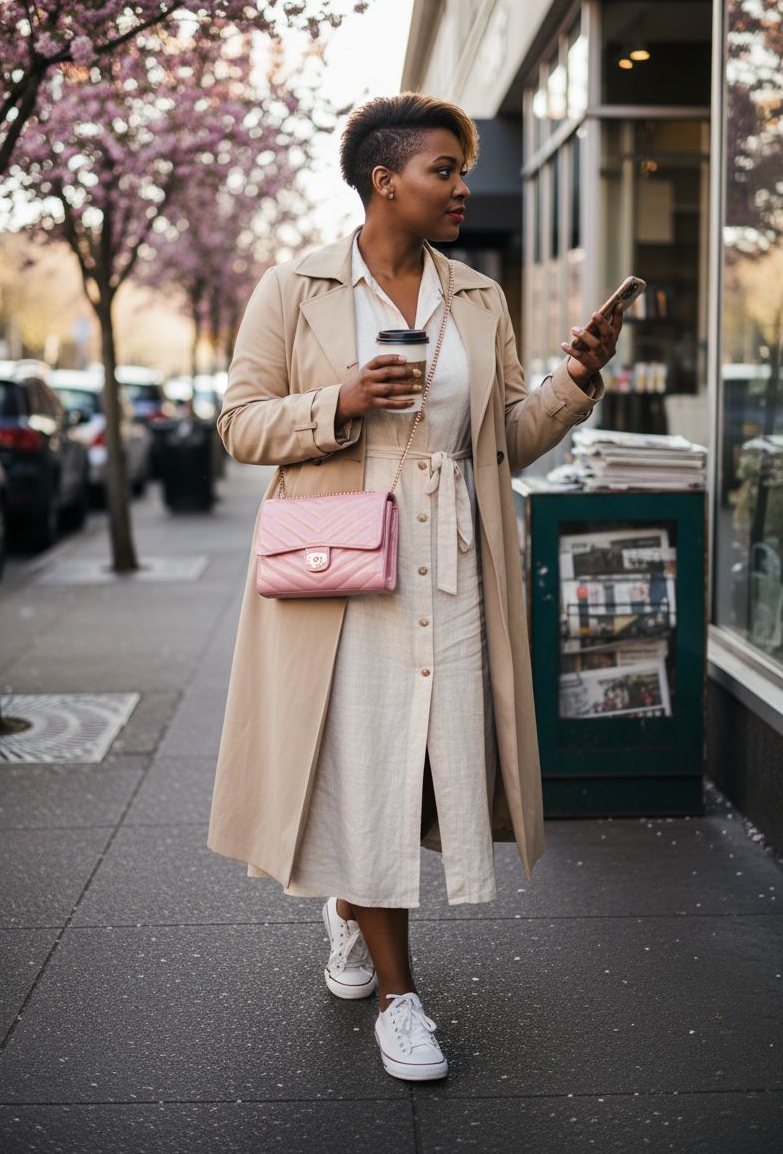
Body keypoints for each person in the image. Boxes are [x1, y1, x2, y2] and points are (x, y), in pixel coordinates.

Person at [207, 93, 622, 1082]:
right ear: (383, 180)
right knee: (369, 764)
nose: (461, 188)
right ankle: (402, 998)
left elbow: (505, 442)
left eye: (463, 169)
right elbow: (239, 424)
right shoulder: (294, 287)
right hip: (348, 561)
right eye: (443, 168)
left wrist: (571, 380)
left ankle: (350, 904)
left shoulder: (478, 297)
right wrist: (338, 403)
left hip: (456, 561)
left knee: (426, 770)